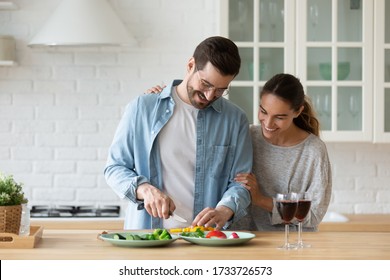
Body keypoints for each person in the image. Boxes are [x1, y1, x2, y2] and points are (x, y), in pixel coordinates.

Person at [104, 36, 253, 230]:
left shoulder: (235, 120)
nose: (210, 96)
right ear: (190, 65)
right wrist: (145, 189)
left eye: (219, 90)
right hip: (147, 237)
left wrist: (225, 209)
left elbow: (241, 183)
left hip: (206, 241)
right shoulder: (143, 108)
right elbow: (114, 168)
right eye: (206, 84)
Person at [233, 73, 332, 231]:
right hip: (248, 241)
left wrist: (260, 200)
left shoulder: (314, 150)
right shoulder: (248, 137)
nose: (268, 123)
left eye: (279, 117)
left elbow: (314, 215)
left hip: (292, 245)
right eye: (263, 111)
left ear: (298, 112)